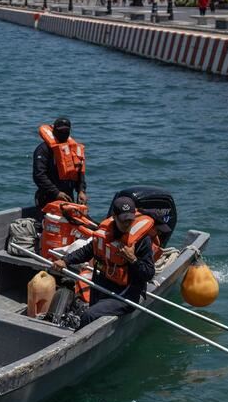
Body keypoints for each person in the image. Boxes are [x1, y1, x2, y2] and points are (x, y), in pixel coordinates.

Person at [51, 196, 158, 329]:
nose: (127, 224)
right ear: (114, 217)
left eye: (130, 220)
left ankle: (78, 338)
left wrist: (133, 259)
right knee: (89, 311)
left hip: (126, 294)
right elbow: (87, 250)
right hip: (102, 286)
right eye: (124, 220)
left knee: (89, 315)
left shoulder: (141, 240)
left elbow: (149, 274)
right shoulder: (105, 233)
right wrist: (65, 261)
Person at [32, 117, 87, 207]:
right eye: (60, 131)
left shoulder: (72, 149)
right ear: (54, 131)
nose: (63, 134)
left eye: (66, 131)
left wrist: (81, 191)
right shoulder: (43, 149)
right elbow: (39, 175)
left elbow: (79, 172)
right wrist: (56, 192)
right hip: (48, 196)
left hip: (68, 196)